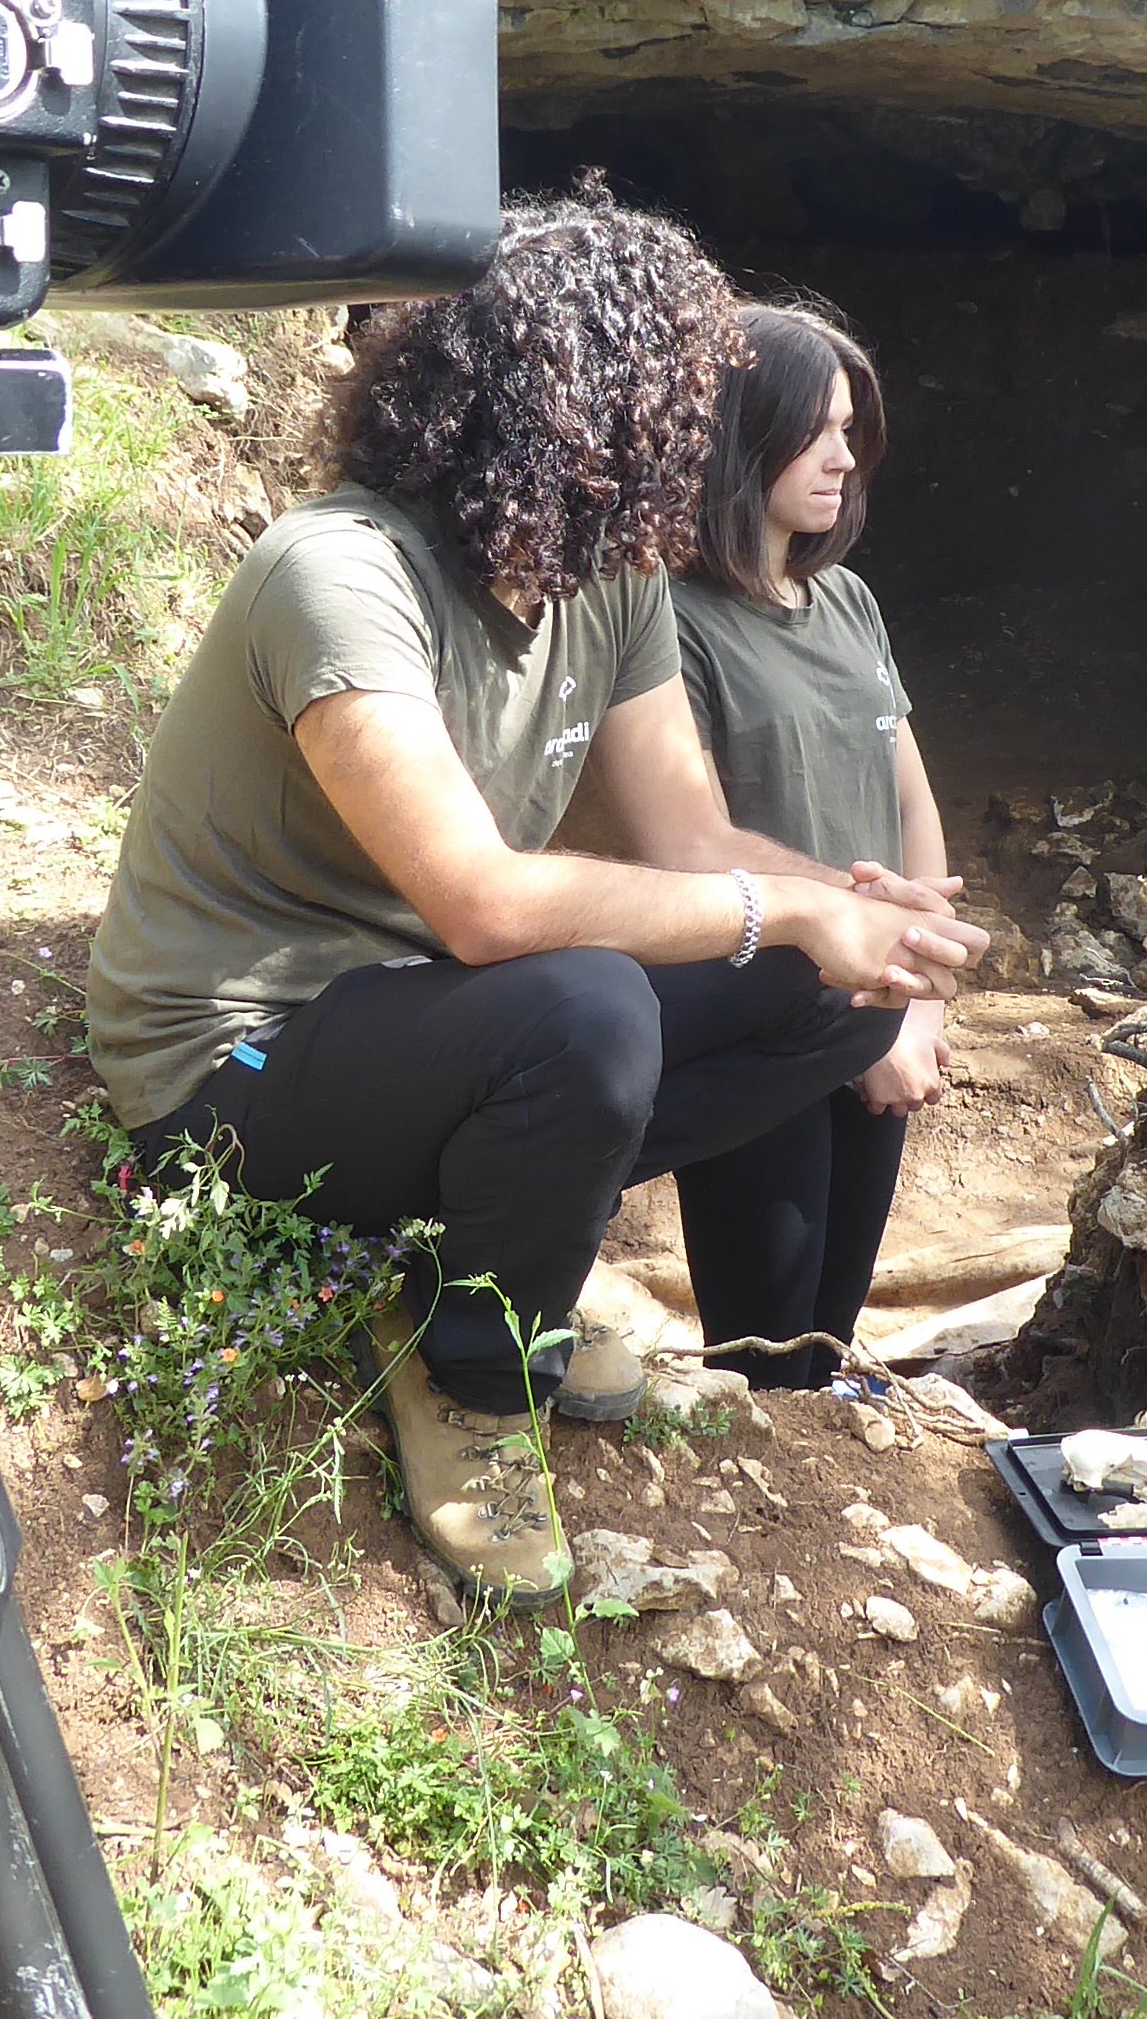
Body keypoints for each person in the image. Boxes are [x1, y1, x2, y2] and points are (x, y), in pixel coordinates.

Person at [85, 197, 982, 1603]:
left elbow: (692, 837)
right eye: (677, 412)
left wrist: (868, 915)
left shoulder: (607, 581)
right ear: (574, 413)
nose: (698, 449)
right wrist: (794, 911)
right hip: (242, 1061)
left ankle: (476, 1250)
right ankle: (473, 1381)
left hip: (437, 1031)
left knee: (834, 995)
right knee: (586, 1009)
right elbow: (483, 909)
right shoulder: (339, 574)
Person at [663, 305, 950, 1390]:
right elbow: (685, 843)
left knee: (829, 1332)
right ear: (737, 438)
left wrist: (920, 1001)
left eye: (848, 429)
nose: (844, 457)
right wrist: (860, 1018)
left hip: (882, 1000)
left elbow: (909, 797)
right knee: (765, 1347)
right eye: (813, 431)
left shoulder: (849, 602)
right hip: (757, 1012)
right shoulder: (668, 618)